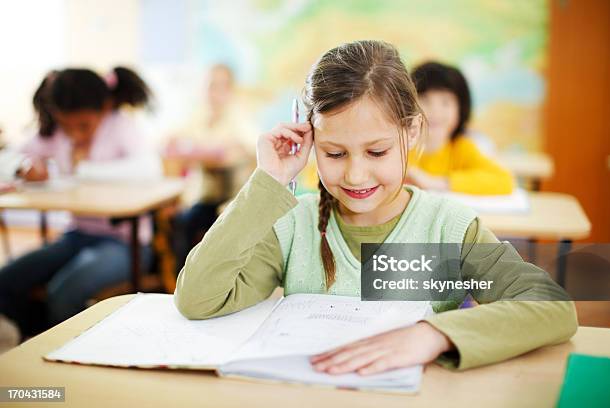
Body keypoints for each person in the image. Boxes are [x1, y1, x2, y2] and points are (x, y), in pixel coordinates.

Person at [173, 41, 576, 373]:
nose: (356, 175)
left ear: (412, 130)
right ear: (309, 141)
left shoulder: (446, 228)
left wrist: (436, 334)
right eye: (334, 153)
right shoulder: (294, 224)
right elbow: (198, 298)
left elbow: (552, 307)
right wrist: (269, 181)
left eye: (377, 151)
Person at [0, 67, 162, 340]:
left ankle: (62, 347)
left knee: (64, 292)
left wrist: (82, 170)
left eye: (83, 126)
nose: (74, 135)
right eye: (66, 126)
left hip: (125, 243)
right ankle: (40, 338)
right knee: (5, 282)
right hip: (77, 236)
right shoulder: (55, 133)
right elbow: (9, 157)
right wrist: (23, 167)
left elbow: (150, 168)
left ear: (105, 107)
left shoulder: (119, 124)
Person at [167, 64, 258, 273]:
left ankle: (213, 278)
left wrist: (197, 151)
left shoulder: (239, 116)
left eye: (220, 87)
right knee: (183, 223)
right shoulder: (199, 117)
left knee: (219, 230)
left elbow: (238, 151)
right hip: (203, 198)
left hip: (233, 198)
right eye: (209, 86)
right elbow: (171, 142)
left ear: (230, 90)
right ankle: (181, 280)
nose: (213, 93)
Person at [407, 61, 514, 195]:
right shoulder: (400, 147)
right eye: (425, 100)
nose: (435, 111)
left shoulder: (461, 148)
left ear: (461, 109)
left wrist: (435, 182)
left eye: (445, 102)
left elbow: (503, 181)